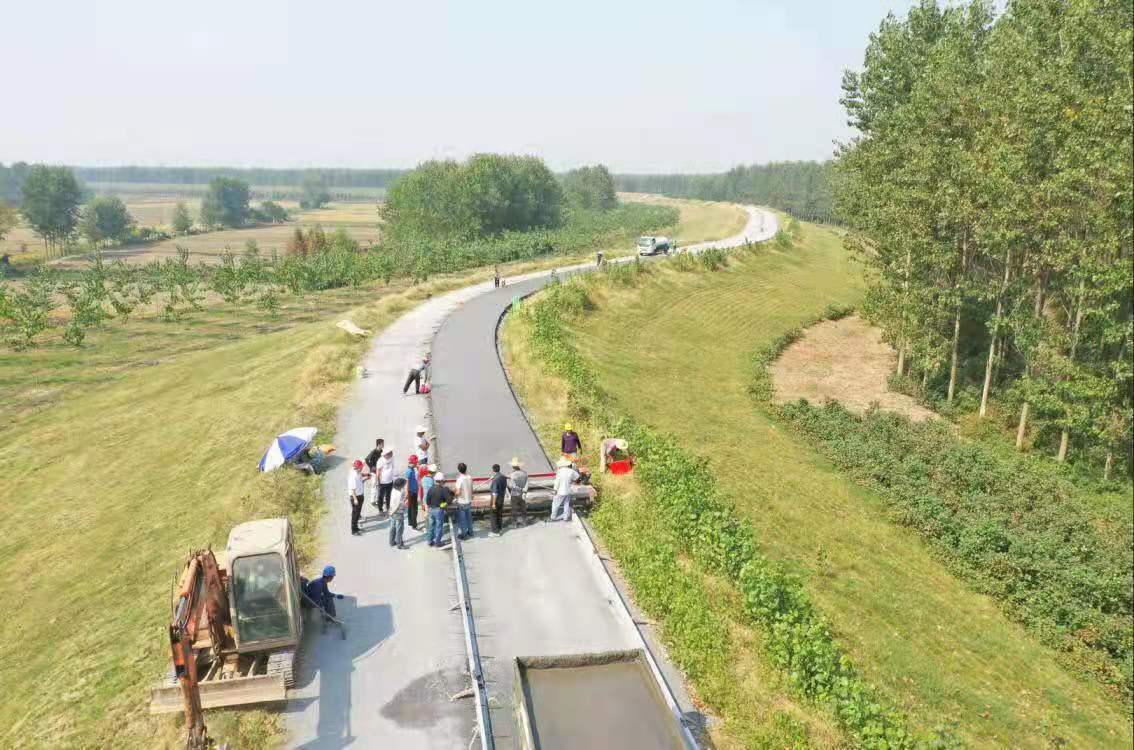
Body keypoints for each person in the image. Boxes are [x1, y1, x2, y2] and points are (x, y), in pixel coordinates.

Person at [425, 471, 453, 547]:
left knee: (431, 526)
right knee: (439, 526)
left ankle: (429, 541)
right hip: (439, 510)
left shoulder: (431, 488)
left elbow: (427, 501)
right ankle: (437, 542)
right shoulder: (443, 489)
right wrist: (444, 504)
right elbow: (449, 500)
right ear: (442, 481)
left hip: (431, 509)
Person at [550, 457, 580, 522]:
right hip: (568, 491)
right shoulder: (571, 471)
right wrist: (572, 480)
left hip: (560, 491)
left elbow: (557, 482)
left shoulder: (559, 472)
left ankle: (553, 517)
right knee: (566, 504)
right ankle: (565, 517)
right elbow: (577, 476)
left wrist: (554, 490)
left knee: (555, 504)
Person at [508, 457, 529, 527]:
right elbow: (527, 483)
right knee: (523, 508)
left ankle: (514, 523)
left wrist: (520, 489)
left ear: (513, 466)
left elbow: (513, 486)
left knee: (514, 509)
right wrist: (524, 491)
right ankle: (524, 522)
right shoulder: (525, 473)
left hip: (515, 494)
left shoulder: (512, 475)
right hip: (522, 494)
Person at [454, 462, 474, 540]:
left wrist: (454, 496)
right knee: (469, 518)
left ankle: (464, 535)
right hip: (468, 500)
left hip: (462, 502)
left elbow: (458, 492)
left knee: (462, 519)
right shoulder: (469, 477)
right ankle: (471, 532)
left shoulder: (459, 479)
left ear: (459, 470)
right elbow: (471, 489)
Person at [347, 459, 367, 535]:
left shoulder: (358, 473)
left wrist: (366, 478)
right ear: (357, 468)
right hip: (356, 497)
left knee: (358, 513)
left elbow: (360, 482)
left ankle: (356, 527)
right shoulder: (353, 476)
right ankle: (353, 530)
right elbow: (352, 490)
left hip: (360, 495)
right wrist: (355, 499)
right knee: (355, 514)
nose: (362, 468)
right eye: (361, 467)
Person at [388, 477, 409, 549]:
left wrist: (391, 512)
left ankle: (391, 542)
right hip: (398, 512)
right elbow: (397, 505)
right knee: (399, 529)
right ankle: (399, 544)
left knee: (392, 527)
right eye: (404, 484)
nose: (404, 486)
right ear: (400, 485)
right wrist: (405, 503)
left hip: (391, 510)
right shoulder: (400, 493)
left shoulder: (393, 490)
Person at [489, 463, 507, 535]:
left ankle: (495, 532)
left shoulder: (495, 480)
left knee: (493, 515)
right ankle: (500, 528)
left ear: (493, 470)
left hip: (495, 500)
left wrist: (493, 503)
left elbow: (494, 492)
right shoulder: (503, 477)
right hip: (501, 498)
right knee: (499, 514)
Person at [375, 448, 395, 513]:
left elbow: (393, 468)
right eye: (390, 453)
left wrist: (393, 478)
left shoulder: (392, 458)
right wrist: (378, 482)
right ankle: (380, 509)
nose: (392, 454)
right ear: (386, 454)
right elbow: (378, 473)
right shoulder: (380, 461)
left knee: (388, 495)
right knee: (381, 496)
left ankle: (388, 507)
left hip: (390, 481)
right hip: (382, 482)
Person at [404, 456, 421, 529]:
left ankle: (411, 522)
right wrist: (407, 493)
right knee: (414, 509)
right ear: (413, 462)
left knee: (411, 508)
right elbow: (407, 483)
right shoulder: (409, 471)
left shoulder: (412, 469)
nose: (416, 464)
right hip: (411, 492)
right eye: (416, 462)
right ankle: (414, 525)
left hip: (413, 491)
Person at [420, 464, 437, 536]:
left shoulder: (423, 478)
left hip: (425, 500)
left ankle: (428, 530)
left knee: (426, 516)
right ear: (433, 472)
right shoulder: (432, 481)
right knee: (432, 517)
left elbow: (421, 487)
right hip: (431, 501)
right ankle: (433, 532)